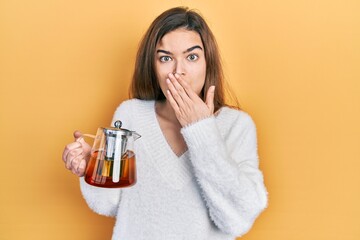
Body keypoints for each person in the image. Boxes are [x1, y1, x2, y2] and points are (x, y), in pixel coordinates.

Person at [62, 6, 267, 240]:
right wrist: (93, 165)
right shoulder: (130, 115)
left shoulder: (237, 125)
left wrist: (202, 132)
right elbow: (106, 204)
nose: (179, 71)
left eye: (192, 57)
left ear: (207, 62)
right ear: (153, 66)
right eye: (166, 58)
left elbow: (238, 219)